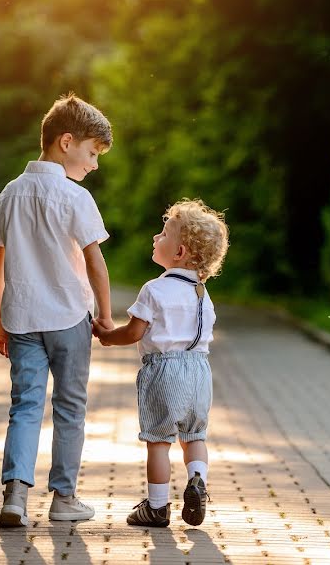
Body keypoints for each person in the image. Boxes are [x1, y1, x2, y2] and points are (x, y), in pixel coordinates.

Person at [0, 92, 114, 527]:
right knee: (70, 407)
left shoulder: (11, 192)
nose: (94, 164)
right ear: (66, 141)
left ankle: (15, 497)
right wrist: (106, 315)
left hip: (21, 319)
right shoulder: (75, 198)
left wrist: (0, 315)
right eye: (92, 153)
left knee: (24, 405)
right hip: (69, 319)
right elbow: (96, 262)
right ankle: (64, 499)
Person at [95, 199, 229, 527]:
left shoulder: (155, 289)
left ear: (179, 252)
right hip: (199, 371)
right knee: (194, 436)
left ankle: (157, 507)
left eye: (164, 233)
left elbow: (135, 331)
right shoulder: (202, 293)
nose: (156, 237)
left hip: (164, 370)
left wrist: (109, 336)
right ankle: (197, 479)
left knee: (159, 440)